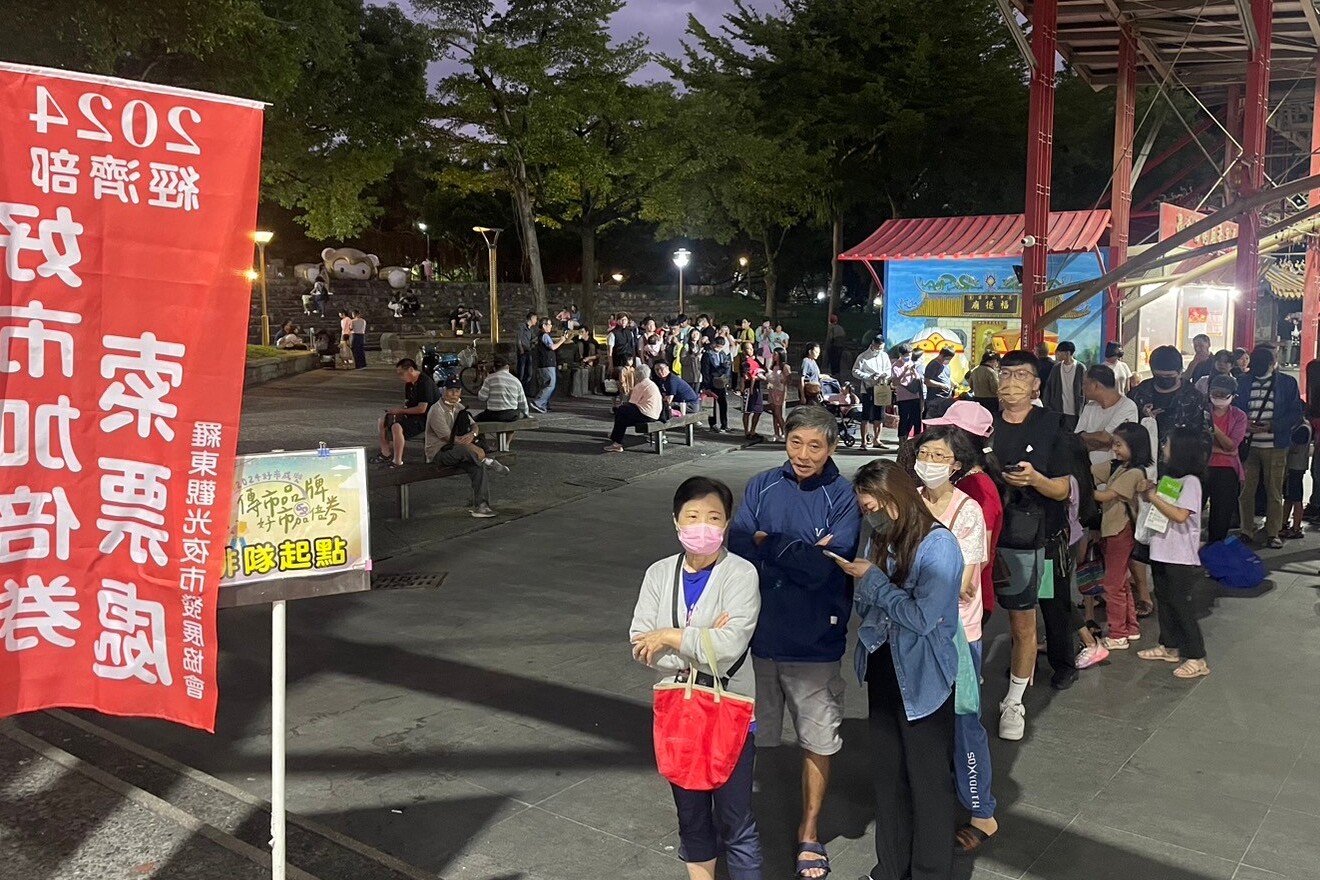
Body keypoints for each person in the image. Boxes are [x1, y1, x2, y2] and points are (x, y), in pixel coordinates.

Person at [727, 406, 861, 880]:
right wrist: (798, 549)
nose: (803, 454)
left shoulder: (843, 496)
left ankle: (809, 832)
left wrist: (771, 543)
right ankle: (743, 823)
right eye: (795, 442)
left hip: (815, 639)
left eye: (815, 446)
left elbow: (827, 567)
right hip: (759, 634)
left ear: (832, 448)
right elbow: (738, 545)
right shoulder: (762, 484)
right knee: (753, 737)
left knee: (817, 740)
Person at [830, 460, 961, 880]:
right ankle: (890, 868)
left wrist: (874, 582)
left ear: (896, 497)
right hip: (884, 664)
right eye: (864, 510)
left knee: (928, 782)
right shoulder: (881, 538)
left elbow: (922, 619)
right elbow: (870, 606)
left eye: (873, 508)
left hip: (923, 676)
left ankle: (930, 871)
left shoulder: (938, 546)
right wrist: (863, 582)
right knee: (889, 779)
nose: (870, 518)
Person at [629, 477, 764, 880]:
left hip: (730, 709)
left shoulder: (740, 574)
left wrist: (670, 636)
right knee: (691, 817)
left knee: (736, 819)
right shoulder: (658, 574)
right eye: (692, 516)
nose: (703, 525)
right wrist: (704, 641)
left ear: (727, 523)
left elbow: (730, 648)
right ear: (676, 521)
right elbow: (641, 644)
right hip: (679, 711)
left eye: (714, 517)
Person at [909, 427, 1000, 855]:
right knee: (922, 721)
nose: (929, 462)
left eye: (939, 456)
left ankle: (982, 811)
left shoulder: (968, 511)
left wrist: (908, 583)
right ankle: (931, 799)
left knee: (964, 721)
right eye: (924, 453)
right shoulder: (910, 501)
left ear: (957, 464)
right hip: (915, 630)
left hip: (958, 634)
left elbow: (963, 584)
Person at [992, 350, 1080, 741]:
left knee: (1049, 604)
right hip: (997, 532)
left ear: (1036, 385)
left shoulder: (1053, 425)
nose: (1011, 381)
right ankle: (1021, 665)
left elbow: (1063, 488)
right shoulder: (985, 423)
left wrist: (1034, 480)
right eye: (1005, 374)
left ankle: (1062, 665)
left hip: (1041, 534)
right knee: (1013, 611)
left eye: (1021, 375)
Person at [1136, 427, 1210, 679]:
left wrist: (1153, 496)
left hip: (1179, 554)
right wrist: (1148, 493)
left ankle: (1197, 656)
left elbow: (1180, 515)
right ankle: (1169, 646)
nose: (1163, 448)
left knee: (1181, 605)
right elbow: (1161, 510)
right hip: (1161, 549)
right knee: (1165, 601)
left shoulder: (1191, 482)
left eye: (1167, 444)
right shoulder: (1171, 480)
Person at [922, 401, 1002, 622]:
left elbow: (981, 554)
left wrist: (955, 585)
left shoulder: (979, 488)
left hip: (965, 601)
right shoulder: (961, 481)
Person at [1089, 422, 1151, 654]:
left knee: (1112, 585)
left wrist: (1077, 489)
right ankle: (1131, 627)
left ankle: (1117, 634)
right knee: (1121, 582)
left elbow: (1106, 496)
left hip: (1120, 531)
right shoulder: (1121, 467)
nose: (1114, 449)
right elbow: (1094, 471)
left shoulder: (1133, 473)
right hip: (1115, 530)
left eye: (1118, 445)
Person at [1236, 344, 1303, 549]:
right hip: (1248, 445)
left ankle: (1273, 532)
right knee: (1246, 491)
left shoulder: (1286, 383)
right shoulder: (1242, 382)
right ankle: (1246, 530)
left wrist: (1272, 426)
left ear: (1271, 363)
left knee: (1274, 490)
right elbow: (1235, 409)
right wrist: (1244, 424)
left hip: (1276, 444)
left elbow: (1295, 413)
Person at [423, 377, 511, 518]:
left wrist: (472, 434)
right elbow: (449, 439)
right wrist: (474, 448)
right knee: (468, 452)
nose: (454, 394)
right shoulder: (436, 410)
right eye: (450, 390)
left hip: (460, 452)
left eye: (457, 390)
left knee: (477, 467)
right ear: (443, 391)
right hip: (439, 452)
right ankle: (487, 460)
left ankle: (482, 506)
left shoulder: (459, 407)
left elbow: (474, 424)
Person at [1129, 345, 1212, 449]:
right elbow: (1125, 432)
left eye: (1169, 376)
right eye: (1159, 376)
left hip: (1182, 455)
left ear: (1180, 372)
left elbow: (1205, 437)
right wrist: (1145, 420)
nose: (1164, 379)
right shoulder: (1138, 394)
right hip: (1143, 454)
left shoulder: (1194, 398)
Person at [1075, 364, 1139, 481]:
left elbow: (1108, 438)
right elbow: (1077, 440)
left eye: (1084, 384)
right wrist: (1103, 442)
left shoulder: (1127, 406)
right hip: (1086, 471)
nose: (1082, 388)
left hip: (1115, 474)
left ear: (1095, 385)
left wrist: (1084, 435)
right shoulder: (1089, 407)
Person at [372, 358, 439, 468]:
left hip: (426, 418)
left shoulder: (425, 383)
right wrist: (396, 412)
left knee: (396, 427)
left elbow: (422, 409)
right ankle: (385, 453)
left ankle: (397, 461)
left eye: (401, 373)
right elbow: (408, 404)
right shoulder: (409, 384)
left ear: (411, 370)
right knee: (382, 420)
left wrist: (400, 411)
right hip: (413, 415)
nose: (400, 377)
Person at [1205, 375, 1248, 543]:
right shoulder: (1200, 412)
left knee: (1221, 515)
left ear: (1233, 396)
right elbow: (1196, 445)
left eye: (1223, 395)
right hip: (1200, 467)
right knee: (1191, 509)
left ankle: (1215, 548)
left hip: (1226, 470)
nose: (1219, 398)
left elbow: (1231, 446)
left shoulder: (1239, 416)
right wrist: (1222, 450)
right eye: (1215, 394)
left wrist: (1213, 427)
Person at [605, 363, 664, 452]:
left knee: (621, 411)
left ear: (637, 375)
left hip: (646, 414)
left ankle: (617, 442)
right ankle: (616, 439)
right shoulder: (651, 384)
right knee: (623, 418)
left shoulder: (641, 385)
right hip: (655, 415)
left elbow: (632, 402)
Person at [852, 336, 894, 450]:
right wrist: (868, 376)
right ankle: (863, 442)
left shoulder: (884, 355)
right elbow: (855, 371)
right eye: (877, 347)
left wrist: (884, 375)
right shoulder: (863, 356)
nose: (879, 350)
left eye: (881, 348)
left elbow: (888, 370)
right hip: (868, 388)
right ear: (872, 344)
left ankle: (877, 439)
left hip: (881, 387)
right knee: (866, 416)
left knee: (879, 416)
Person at [530, 318, 571, 413]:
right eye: (549, 324)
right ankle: (538, 402)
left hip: (543, 364)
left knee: (545, 384)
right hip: (547, 364)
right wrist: (561, 341)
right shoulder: (544, 336)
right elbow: (552, 347)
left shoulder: (540, 336)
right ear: (544, 326)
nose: (551, 326)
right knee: (550, 385)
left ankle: (544, 404)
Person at [1042, 340, 1085, 431]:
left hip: (1076, 411)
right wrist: (1048, 406)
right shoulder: (1056, 368)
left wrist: (1084, 408)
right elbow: (1048, 388)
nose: (1056, 355)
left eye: (1058, 353)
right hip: (1059, 410)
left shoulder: (1080, 368)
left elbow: (1085, 390)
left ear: (1067, 353)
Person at [476, 356, 530, 424]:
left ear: (494, 368)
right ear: (507, 367)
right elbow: (522, 402)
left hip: (492, 414)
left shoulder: (489, 379)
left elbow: (482, 398)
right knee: (517, 417)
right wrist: (526, 414)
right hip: (511, 415)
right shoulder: (516, 381)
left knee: (475, 420)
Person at [1283, 421, 1312, 539]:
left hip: (1295, 466)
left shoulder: (1302, 428)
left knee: (1295, 497)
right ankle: (1284, 522)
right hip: (1297, 465)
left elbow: (1294, 447)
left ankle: (1296, 527)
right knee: (1290, 497)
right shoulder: (1303, 426)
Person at [892, 344, 924, 443]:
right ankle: (902, 441)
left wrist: (913, 371)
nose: (907, 357)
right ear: (901, 354)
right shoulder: (896, 365)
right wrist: (905, 371)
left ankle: (917, 441)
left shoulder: (912, 363)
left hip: (915, 395)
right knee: (904, 419)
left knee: (916, 419)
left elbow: (918, 379)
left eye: (909, 354)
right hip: (903, 397)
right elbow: (895, 382)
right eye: (905, 355)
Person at [702, 336, 733, 433]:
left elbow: (728, 369)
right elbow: (705, 371)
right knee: (712, 404)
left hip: (721, 382)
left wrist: (726, 378)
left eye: (721, 347)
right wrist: (706, 386)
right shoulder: (708, 355)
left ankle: (724, 424)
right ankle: (713, 424)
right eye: (717, 346)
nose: (718, 348)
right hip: (711, 381)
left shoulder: (723, 354)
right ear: (713, 344)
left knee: (723, 403)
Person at [1304, 359, 1320, 522]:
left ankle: (1316, 504)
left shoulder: (1314, 367)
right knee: (1316, 468)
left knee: (1317, 468)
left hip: (1316, 420)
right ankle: (1315, 503)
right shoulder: (1314, 367)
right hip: (1316, 421)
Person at [740, 342, 765, 440]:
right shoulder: (744, 363)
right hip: (748, 388)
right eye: (748, 349)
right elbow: (745, 377)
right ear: (744, 351)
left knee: (758, 410)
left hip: (757, 387)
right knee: (747, 411)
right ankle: (746, 432)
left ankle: (753, 430)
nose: (750, 351)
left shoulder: (756, 360)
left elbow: (763, 369)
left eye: (751, 348)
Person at [766, 350, 792, 443]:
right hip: (772, 389)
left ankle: (785, 432)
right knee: (774, 412)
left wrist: (783, 380)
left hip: (780, 390)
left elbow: (789, 379)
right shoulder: (773, 366)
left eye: (775, 354)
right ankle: (776, 433)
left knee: (778, 413)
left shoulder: (785, 366)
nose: (773, 356)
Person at [923, 347, 956, 415]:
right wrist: (941, 385)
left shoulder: (946, 366)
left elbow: (947, 377)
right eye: (947, 359)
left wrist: (953, 383)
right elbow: (927, 381)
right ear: (941, 355)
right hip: (935, 399)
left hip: (946, 398)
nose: (948, 361)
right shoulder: (933, 365)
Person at [967, 351, 1000, 415]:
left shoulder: (975, 371)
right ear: (993, 361)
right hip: (990, 401)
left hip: (977, 399)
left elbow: (971, 386)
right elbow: (995, 388)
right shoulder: (991, 372)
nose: (996, 365)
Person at [608, 313, 639, 382]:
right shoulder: (612, 334)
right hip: (618, 361)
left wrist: (634, 362)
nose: (623, 321)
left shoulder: (630, 333)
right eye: (621, 319)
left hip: (629, 361)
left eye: (625, 319)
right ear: (617, 321)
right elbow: (609, 351)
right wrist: (611, 364)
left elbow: (632, 347)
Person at [516, 312, 538, 386]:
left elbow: (533, 338)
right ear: (531, 318)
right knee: (521, 372)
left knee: (529, 372)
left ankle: (525, 387)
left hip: (529, 351)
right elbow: (518, 339)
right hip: (523, 352)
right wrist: (521, 349)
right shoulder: (522, 327)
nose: (536, 321)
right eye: (535, 319)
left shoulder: (531, 329)